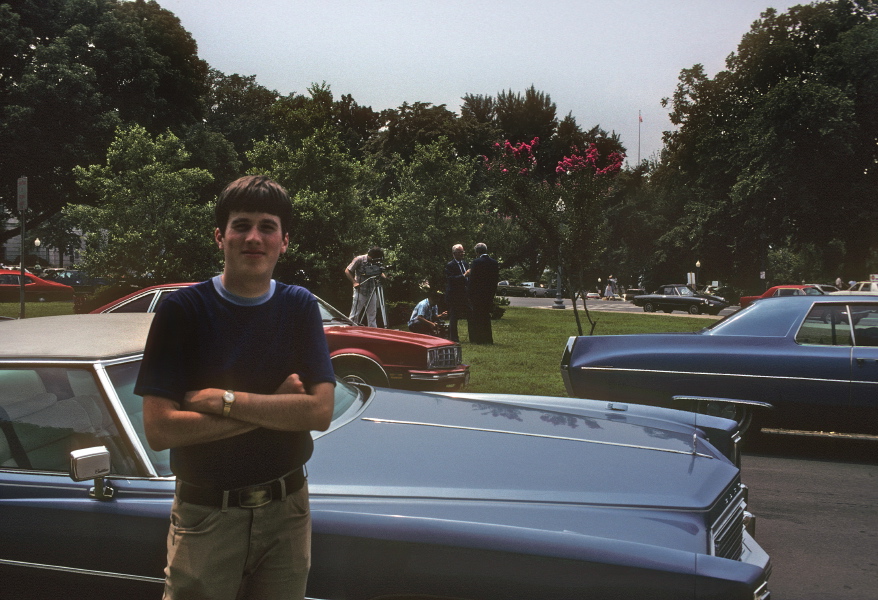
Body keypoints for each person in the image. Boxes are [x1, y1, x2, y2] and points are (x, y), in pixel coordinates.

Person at [136, 175, 336, 600]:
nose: (253, 237)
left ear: (284, 241)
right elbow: (160, 430)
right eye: (241, 224)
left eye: (267, 226)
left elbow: (319, 412)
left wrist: (222, 401)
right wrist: (277, 407)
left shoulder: (299, 306)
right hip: (207, 516)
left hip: (288, 511)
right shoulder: (181, 311)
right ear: (219, 236)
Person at [467, 242, 500, 344]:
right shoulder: (494, 263)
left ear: (477, 252)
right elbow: (495, 280)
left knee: (477, 316)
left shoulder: (476, 262)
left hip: (478, 294)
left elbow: (473, 280)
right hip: (488, 294)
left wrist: (470, 293)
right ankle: (488, 339)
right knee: (486, 316)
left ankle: (479, 339)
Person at [345, 246, 386, 327]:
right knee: (355, 314)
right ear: (370, 256)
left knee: (372, 314)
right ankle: (351, 332)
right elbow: (347, 271)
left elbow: (379, 271)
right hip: (360, 290)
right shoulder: (359, 260)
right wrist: (354, 282)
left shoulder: (376, 260)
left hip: (372, 290)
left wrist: (384, 277)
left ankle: (373, 334)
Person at [443, 244, 469, 342]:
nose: (462, 254)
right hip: (454, 295)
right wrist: (463, 276)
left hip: (464, 294)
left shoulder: (465, 264)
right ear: (454, 254)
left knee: (470, 314)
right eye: (460, 252)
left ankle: (474, 336)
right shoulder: (450, 265)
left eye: (463, 252)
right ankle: (454, 337)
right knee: (454, 317)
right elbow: (450, 280)